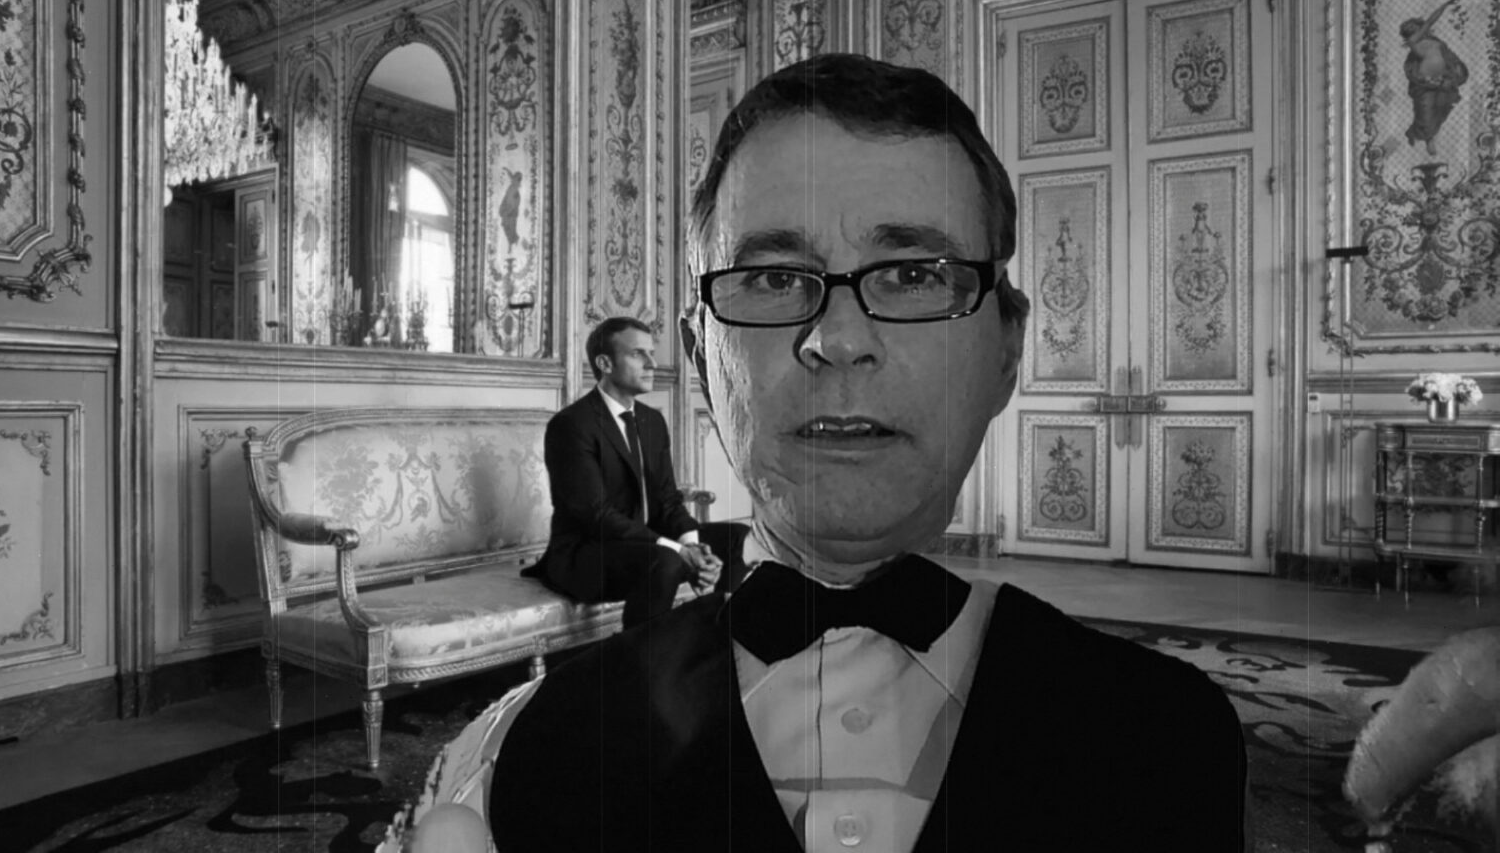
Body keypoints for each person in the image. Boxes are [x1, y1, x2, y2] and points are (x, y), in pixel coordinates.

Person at [425, 52, 1250, 851]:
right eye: (777, 279)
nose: (840, 339)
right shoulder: (528, 753)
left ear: (1006, 350)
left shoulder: (1176, 734)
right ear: (704, 359)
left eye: (915, 274)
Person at [519, 316, 742, 629]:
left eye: (651, 353)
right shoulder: (572, 425)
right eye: (638, 354)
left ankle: (718, 638)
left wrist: (691, 545)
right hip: (587, 554)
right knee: (665, 560)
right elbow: (596, 516)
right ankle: (642, 656)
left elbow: (668, 500)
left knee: (736, 538)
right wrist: (679, 550)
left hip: (642, 543)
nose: (652, 364)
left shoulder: (652, 421)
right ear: (605, 364)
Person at [1401, 0, 1467, 157]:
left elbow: (1432, 21)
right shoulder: (1414, 42)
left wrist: (1445, 5)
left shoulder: (1434, 41)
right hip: (1426, 84)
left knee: (1442, 108)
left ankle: (1420, 133)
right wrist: (1427, 80)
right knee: (1426, 114)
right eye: (1413, 30)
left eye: (1418, 28)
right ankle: (1428, 138)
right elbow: (1430, 21)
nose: (1421, 31)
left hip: (1444, 79)